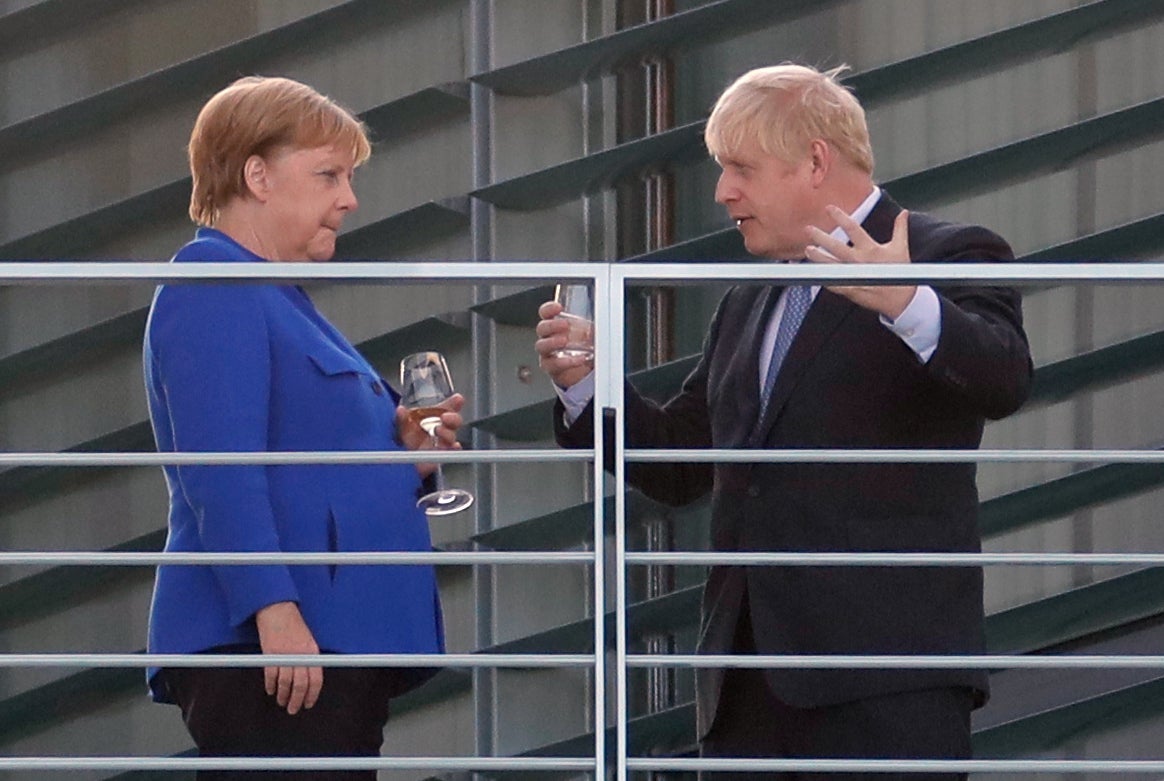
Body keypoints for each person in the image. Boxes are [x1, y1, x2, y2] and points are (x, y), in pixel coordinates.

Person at [536, 64, 1033, 779]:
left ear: (815, 161)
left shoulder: (948, 252)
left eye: (740, 168)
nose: (722, 192)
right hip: (745, 686)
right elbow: (681, 460)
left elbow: (1004, 375)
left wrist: (904, 302)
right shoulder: (749, 298)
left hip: (886, 678)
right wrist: (589, 390)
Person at [143, 76, 461, 780]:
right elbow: (218, 470)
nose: (348, 198)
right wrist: (272, 611)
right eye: (327, 175)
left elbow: (307, 467)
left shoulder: (273, 295)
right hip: (282, 646)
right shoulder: (214, 282)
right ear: (256, 175)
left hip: (321, 638)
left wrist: (407, 457)